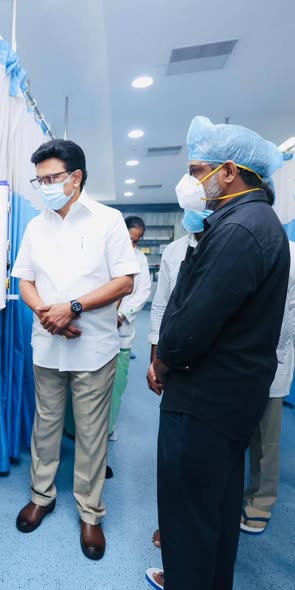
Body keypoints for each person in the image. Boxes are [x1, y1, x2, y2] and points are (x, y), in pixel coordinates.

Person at [145, 116, 290, 590]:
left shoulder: (239, 230)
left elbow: (194, 321)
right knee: (215, 510)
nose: (191, 181)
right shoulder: (254, 222)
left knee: (188, 518)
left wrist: (164, 359)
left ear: (228, 171)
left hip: (204, 398)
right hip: (229, 396)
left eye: (197, 170)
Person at [12, 139, 139, 560]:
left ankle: (90, 512)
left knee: (90, 432)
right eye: (39, 180)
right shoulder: (37, 226)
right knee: (46, 425)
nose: (44, 187)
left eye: (51, 178)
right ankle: (41, 496)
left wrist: (73, 308)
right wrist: (46, 313)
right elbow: (25, 280)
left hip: (93, 346)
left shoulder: (108, 220)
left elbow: (125, 282)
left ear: (76, 177)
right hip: (47, 343)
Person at [148, 207, 211, 550]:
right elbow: (161, 306)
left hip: (215, 366)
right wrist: (156, 359)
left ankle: (194, 536)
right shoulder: (175, 250)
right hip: (175, 363)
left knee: (208, 457)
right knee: (173, 452)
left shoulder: (232, 243)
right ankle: (172, 526)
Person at [241, 244, 295, 534]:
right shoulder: (237, 245)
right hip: (234, 361)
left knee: (266, 439)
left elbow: (289, 316)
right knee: (233, 433)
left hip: (273, 358)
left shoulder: (291, 253)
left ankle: (260, 502)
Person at [109, 215, 151, 439]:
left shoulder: (139, 259)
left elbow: (143, 292)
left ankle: (109, 427)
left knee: (117, 384)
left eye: (136, 241)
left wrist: (121, 314)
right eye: (129, 239)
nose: (132, 245)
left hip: (122, 330)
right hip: (98, 328)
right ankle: (76, 429)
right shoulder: (107, 252)